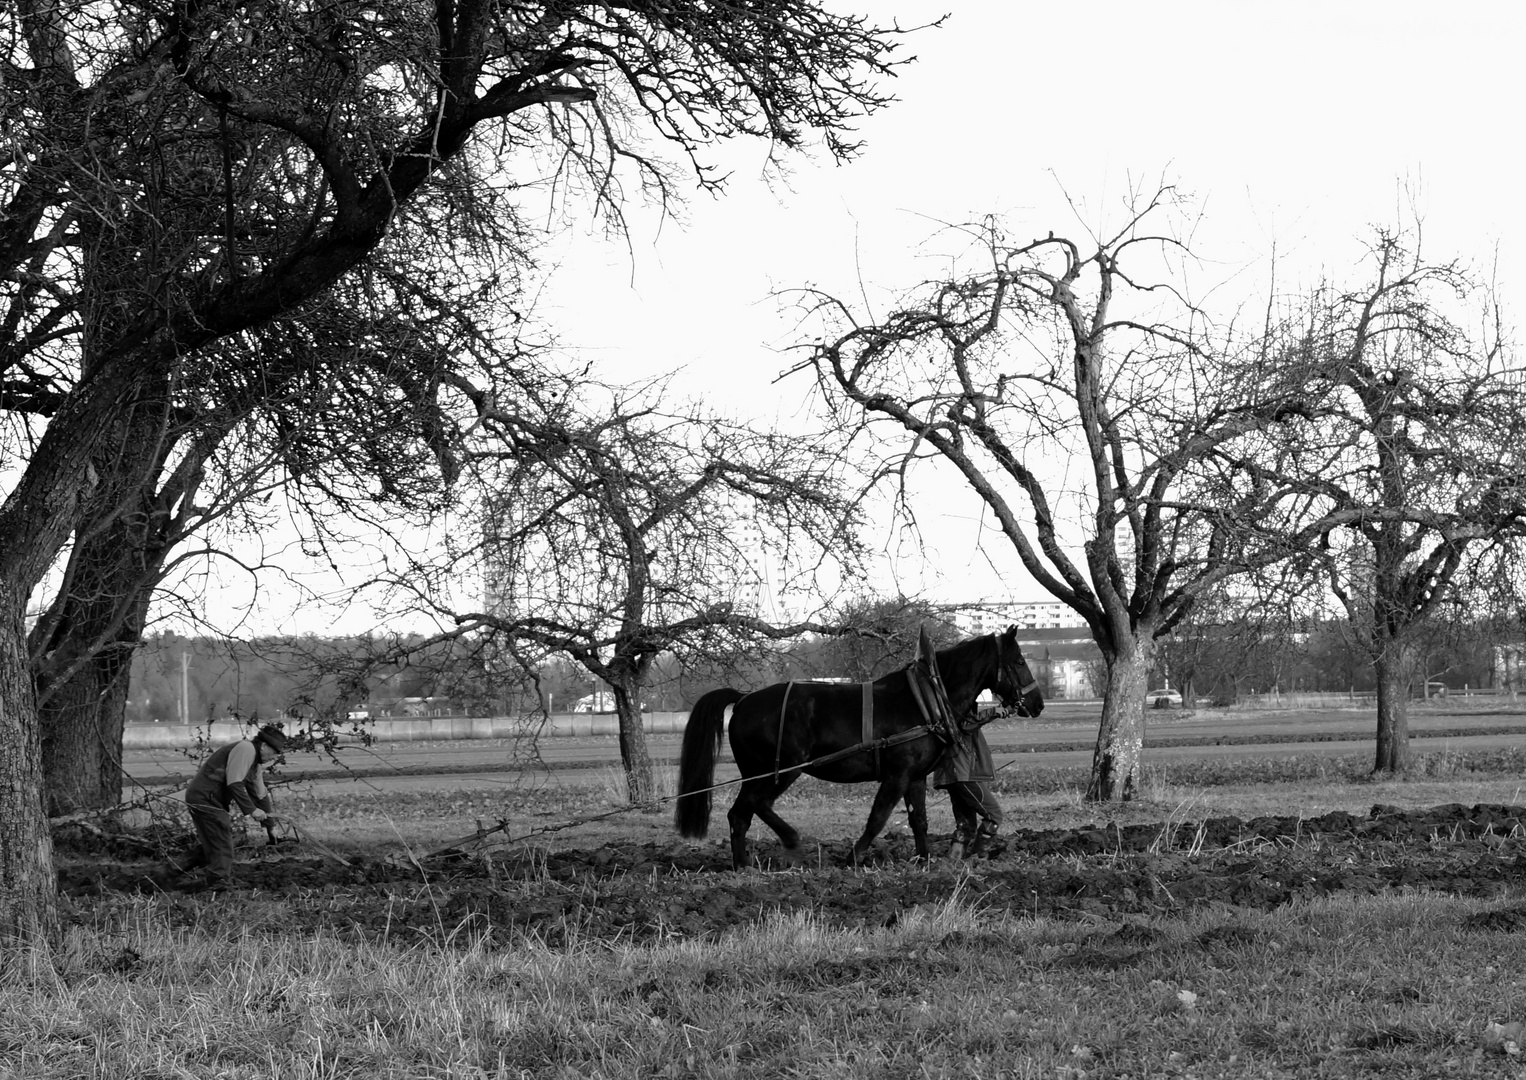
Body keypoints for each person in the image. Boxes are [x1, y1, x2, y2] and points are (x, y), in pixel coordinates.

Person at [166, 725, 287, 891]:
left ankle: (166, 873)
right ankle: (218, 885)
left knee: (214, 845)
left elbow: (260, 796)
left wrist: (270, 827)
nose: (272, 758)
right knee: (222, 843)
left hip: (209, 799)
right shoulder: (246, 749)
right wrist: (251, 810)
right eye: (273, 753)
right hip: (204, 797)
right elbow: (234, 783)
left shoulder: (255, 766)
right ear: (264, 746)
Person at [933, 723, 1003, 859]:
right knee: (994, 816)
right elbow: (967, 724)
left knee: (965, 825)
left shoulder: (945, 714)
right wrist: (997, 712)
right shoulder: (961, 715)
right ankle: (979, 858)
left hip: (953, 774)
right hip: (963, 773)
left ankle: (954, 861)